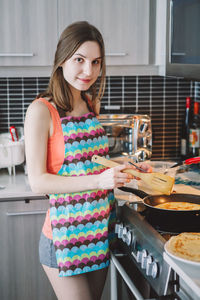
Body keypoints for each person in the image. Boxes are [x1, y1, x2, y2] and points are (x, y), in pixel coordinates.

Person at [24, 21, 148, 300]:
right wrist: (99, 180)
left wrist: (126, 167)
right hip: (64, 238)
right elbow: (37, 181)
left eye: (96, 62)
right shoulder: (41, 111)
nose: (88, 71)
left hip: (99, 230)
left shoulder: (91, 103)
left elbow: (93, 162)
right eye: (79, 60)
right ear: (62, 59)